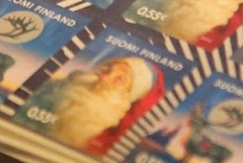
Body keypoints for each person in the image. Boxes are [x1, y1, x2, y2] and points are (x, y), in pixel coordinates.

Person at [16, 55, 158, 155]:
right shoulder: (49, 90)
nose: (104, 77)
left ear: (127, 97)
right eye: (106, 69)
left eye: (120, 79)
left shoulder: (103, 141)